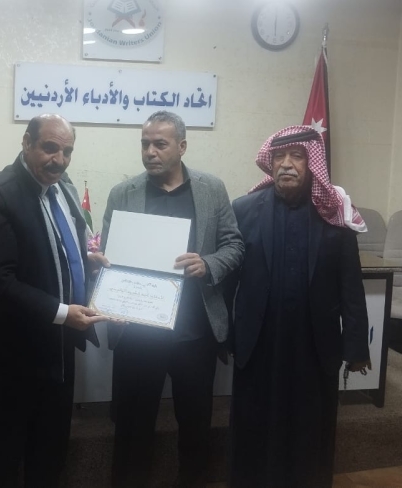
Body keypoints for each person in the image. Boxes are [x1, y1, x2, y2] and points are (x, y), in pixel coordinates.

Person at [101, 111, 245, 487]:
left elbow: (234, 245)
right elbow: (109, 258)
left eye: (160, 144)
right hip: (137, 332)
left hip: (194, 334)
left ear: (182, 146)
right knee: (132, 428)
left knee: (196, 425)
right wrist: (107, 291)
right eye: (145, 144)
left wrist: (208, 263)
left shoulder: (211, 188)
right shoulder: (123, 193)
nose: (150, 152)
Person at [0, 114, 109, 488]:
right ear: (27, 143)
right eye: (50, 148)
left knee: (51, 449)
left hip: (59, 348)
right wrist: (62, 313)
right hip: (14, 354)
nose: (59, 160)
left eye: (67, 151)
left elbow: (53, 247)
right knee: (7, 451)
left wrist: (85, 260)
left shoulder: (62, 189)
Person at [228, 125, 370, 488]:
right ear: (269, 163)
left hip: (314, 344)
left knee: (310, 425)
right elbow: (228, 279)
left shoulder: (335, 213)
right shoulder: (243, 209)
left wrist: (356, 348)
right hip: (259, 341)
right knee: (254, 421)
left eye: (297, 156)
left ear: (313, 163)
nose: (286, 164)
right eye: (279, 157)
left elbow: (351, 285)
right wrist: (223, 334)